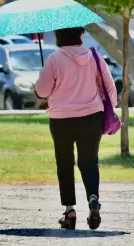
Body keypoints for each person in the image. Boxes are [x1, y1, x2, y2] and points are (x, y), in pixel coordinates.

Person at [34, 27, 117, 230]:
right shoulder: (94, 56)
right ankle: (93, 199)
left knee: (64, 162)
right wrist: (109, 109)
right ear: (80, 35)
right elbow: (110, 89)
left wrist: (42, 79)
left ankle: (70, 211)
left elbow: (41, 91)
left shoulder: (53, 59)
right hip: (92, 117)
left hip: (61, 119)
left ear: (58, 36)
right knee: (89, 162)